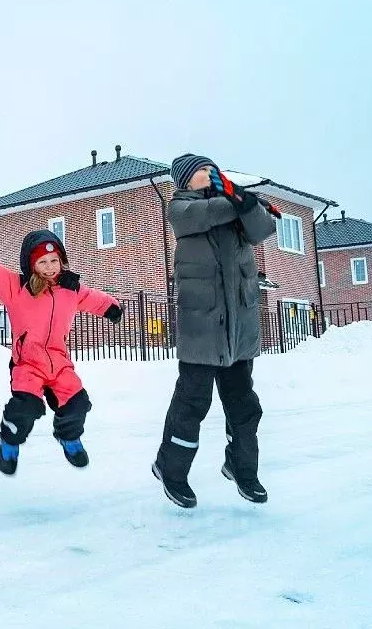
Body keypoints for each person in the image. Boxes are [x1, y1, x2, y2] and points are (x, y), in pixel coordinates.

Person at [152, 154, 279, 508]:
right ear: (184, 181)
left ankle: (242, 469)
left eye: (211, 169)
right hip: (201, 331)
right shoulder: (180, 208)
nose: (208, 175)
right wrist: (244, 201)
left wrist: (246, 203)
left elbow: (264, 229)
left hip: (239, 332)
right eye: (199, 172)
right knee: (192, 404)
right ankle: (171, 470)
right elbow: (208, 214)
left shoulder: (234, 210)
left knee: (245, 406)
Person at [0, 229, 122, 472]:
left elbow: (94, 298)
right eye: (42, 262)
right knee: (26, 408)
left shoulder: (71, 289)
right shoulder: (17, 287)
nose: (50, 267)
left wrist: (112, 307)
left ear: (61, 260)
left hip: (59, 363)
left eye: (54, 261)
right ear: (31, 263)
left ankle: (68, 436)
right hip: (27, 363)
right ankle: (8, 439)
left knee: (78, 402)